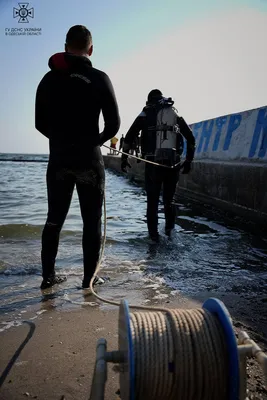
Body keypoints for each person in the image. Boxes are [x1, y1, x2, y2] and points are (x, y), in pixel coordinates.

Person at [35, 25, 120, 289]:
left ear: (65, 46)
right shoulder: (99, 78)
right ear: (90, 49)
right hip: (89, 160)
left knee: (54, 218)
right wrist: (92, 142)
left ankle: (48, 278)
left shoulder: (48, 80)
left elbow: (39, 123)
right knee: (91, 221)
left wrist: (62, 141)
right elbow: (113, 125)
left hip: (59, 159)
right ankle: (88, 280)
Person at [121, 89, 195, 242]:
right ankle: (170, 233)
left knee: (152, 201)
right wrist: (188, 161)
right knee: (169, 200)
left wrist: (124, 157)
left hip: (153, 163)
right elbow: (191, 138)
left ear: (148, 100)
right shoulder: (173, 112)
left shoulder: (145, 113)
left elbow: (129, 137)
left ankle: (153, 238)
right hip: (173, 163)